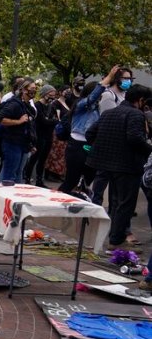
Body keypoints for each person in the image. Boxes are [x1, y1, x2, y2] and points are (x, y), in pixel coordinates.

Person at [86, 84, 152, 248]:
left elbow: (90, 134)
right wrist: (149, 149)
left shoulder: (109, 113)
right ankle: (116, 239)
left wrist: (103, 149)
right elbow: (135, 138)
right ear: (141, 100)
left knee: (116, 203)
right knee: (125, 204)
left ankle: (113, 236)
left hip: (107, 164)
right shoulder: (136, 114)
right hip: (127, 166)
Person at [59, 66, 119, 198]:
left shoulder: (98, 109)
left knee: (88, 180)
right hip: (76, 146)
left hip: (90, 146)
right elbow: (92, 98)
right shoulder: (81, 105)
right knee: (71, 180)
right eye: (99, 94)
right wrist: (108, 79)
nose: (101, 96)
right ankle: (59, 202)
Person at [0, 78, 37, 184]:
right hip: (12, 143)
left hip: (23, 144)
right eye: (32, 88)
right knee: (9, 175)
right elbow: (0, 119)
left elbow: (28, 127)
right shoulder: (14, 104)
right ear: (24, 90)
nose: (34, 91)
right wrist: (18, 121)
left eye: (35, 88)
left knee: (18, 174)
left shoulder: (28, 106)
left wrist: (30, 144)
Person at [24, 84, 58, 187]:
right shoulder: (37, 105)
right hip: (39, 136)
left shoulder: (51, 106)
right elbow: (43, 121)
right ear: (45, 94)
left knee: (43, 159)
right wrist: (54, 121)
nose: (53, 96)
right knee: (34, 158)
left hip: (48, 136)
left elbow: (51, 120)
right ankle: (27, 179)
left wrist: (51, 121)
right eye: (51, 94)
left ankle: (39, 181)